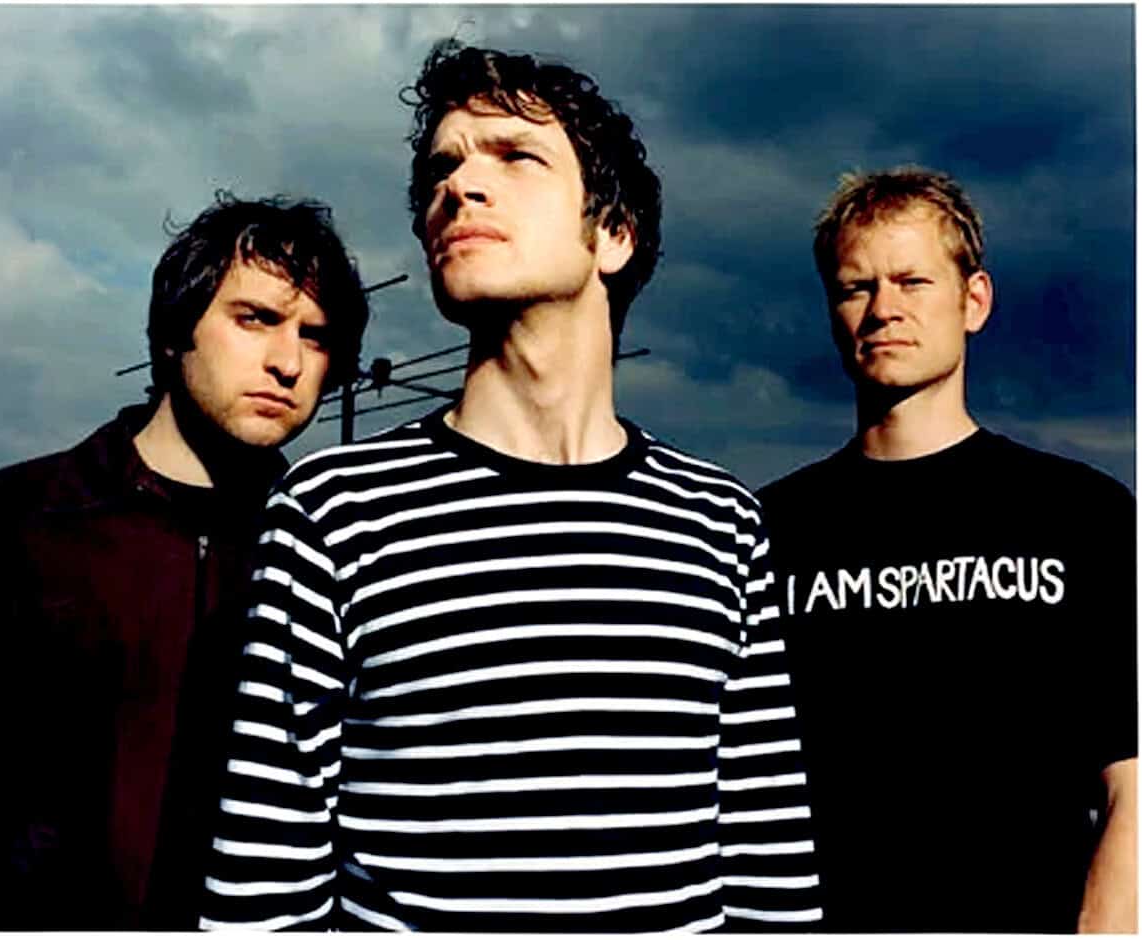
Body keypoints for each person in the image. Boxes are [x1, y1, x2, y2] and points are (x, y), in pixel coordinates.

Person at [199, 41, 822, 932]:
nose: (459, 186)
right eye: (442, 168)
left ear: (612, 233)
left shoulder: (720, 520)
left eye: (514, 156)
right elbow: (266, 889)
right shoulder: (332, 511)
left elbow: (769, 871)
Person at [757, 167, 1137, 932]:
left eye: (911, 281)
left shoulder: (1079, 514)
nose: (882, 309)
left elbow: (1130, 781)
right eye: (854, 287)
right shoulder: (768, 528)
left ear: (974, 301)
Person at [0, 193, 370, 929]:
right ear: (172, 334)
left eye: (315, 338)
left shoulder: (333, 552)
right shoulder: (9, 520)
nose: (286, 362)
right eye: (254, 319)